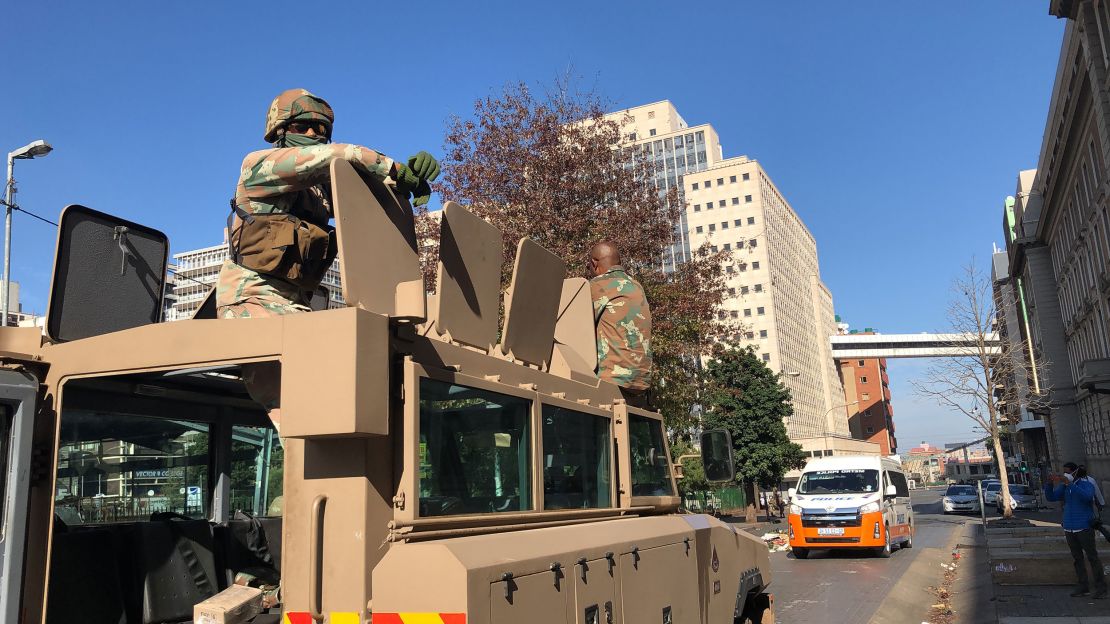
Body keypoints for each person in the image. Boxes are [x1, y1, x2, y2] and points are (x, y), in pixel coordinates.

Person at [217, 89, 440, 426]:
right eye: (304, 126)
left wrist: (405, 180)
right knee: (302, 415)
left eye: (321, 130)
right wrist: (391, 167)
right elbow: (338, 157)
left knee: (357, 392)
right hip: (252, 302)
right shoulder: (259, 167)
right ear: (280, 130)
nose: (313, 135)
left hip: (297, 309)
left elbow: (366, 200)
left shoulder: (320, 192)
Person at [587, 241, 652, 406]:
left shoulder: (597, 286)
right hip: (641, 382)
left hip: (613, 379)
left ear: (594, 264)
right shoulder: (637, 287)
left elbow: (572, 325)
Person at [1045, 462, 1107, 598]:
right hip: (1069, 528)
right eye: (1064, 472)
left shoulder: (1087, 485)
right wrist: (1049, 484)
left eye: (1067, 472)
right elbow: (1051, 497)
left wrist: (1071, 484)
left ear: (1075, 473)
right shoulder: (1064, 487)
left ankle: (1101, 587)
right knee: (1077, 558)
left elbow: (1087, 498)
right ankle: (1083, 586)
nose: (1065, 474)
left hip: (1084, 527)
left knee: (1092, 557)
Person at [1075, 464, 1110, 542]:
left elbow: (1096, 492)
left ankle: (1097, 534)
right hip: (1084, 503)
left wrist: (1101, 503)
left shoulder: (1090, 480)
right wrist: (1101, 503)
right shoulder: (1078, 481)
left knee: (1095, 519)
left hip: (1091, 503)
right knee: (1091, 520)